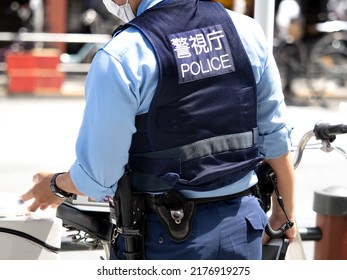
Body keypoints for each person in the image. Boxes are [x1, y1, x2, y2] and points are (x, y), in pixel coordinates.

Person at [21, 0, 296, 260]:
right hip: (244, 226)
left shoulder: (123, 55)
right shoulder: (245, 30)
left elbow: (99, 176)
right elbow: (275, 137)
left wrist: (56, 185)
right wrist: (286, 213)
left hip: (166, 237)